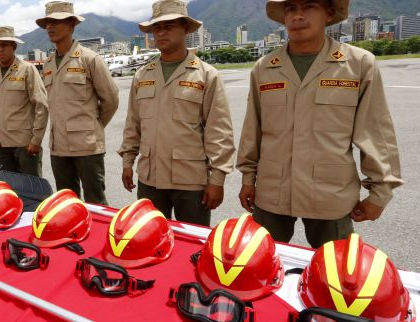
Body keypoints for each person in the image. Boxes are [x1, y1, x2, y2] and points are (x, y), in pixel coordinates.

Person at [236, 0, 403, 248]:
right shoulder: (264, 68)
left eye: (309, 6)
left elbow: (376, 132)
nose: (298, 15)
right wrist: (248, 179)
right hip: (272, 194)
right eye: (291, 8)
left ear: (329, 12)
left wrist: (380, 193)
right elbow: (253, 130)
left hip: (330, 196)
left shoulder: (358, 64)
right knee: (259, 268)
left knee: (335, 277)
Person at [118, 0, 235, 226]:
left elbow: (219, 131)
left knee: (192, 245)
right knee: (149, 240)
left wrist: (217, 179)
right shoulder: (142, 75)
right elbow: (133, 123)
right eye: (156, 28)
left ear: (185, 29)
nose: (161, 32)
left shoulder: (205, 75)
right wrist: (127, 161)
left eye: (169, 26)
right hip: (150, 179)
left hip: (190, 181)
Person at [36, 1, 119, 204]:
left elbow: (111, 99)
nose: (50, 26)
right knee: (66, 203)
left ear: (72, 24)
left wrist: (93, 125)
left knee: (95, 203)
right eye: (47, 22)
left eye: (56, 21)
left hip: (87, 147)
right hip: (58, 147)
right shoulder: (47, 64)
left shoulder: (89, 59)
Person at [0, 26, 49, 176]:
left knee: (31, 189)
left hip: (24, 144)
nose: (0, 49)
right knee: (8, 189)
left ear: (13, 46)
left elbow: (41, 106)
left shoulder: (27, 69)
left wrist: (36, 140)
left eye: (4, 45)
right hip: (2, 145)